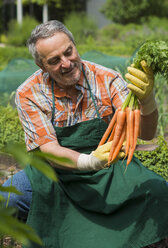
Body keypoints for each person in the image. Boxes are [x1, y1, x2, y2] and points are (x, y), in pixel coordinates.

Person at [1, 20, 168, 248]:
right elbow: (50, 150)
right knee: (9, 198)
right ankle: (41, 227)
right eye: (54, 61)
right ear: (42, 66)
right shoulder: (28, 93)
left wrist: (148, 102)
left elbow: (146, 135)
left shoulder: (107, 79)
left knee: (159, 189)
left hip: (109, 169)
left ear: (74, 45)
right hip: (55, 173)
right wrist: (89, 161)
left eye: (69, 52)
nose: (67, 63)